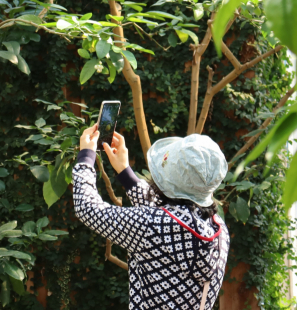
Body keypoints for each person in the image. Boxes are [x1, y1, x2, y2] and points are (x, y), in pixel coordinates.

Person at [73, 124, 230, 310]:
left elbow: (88, 209)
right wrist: (125, 173)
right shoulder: (218, 229)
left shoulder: (153, 226)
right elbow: (168, 216)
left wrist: (86, 156)